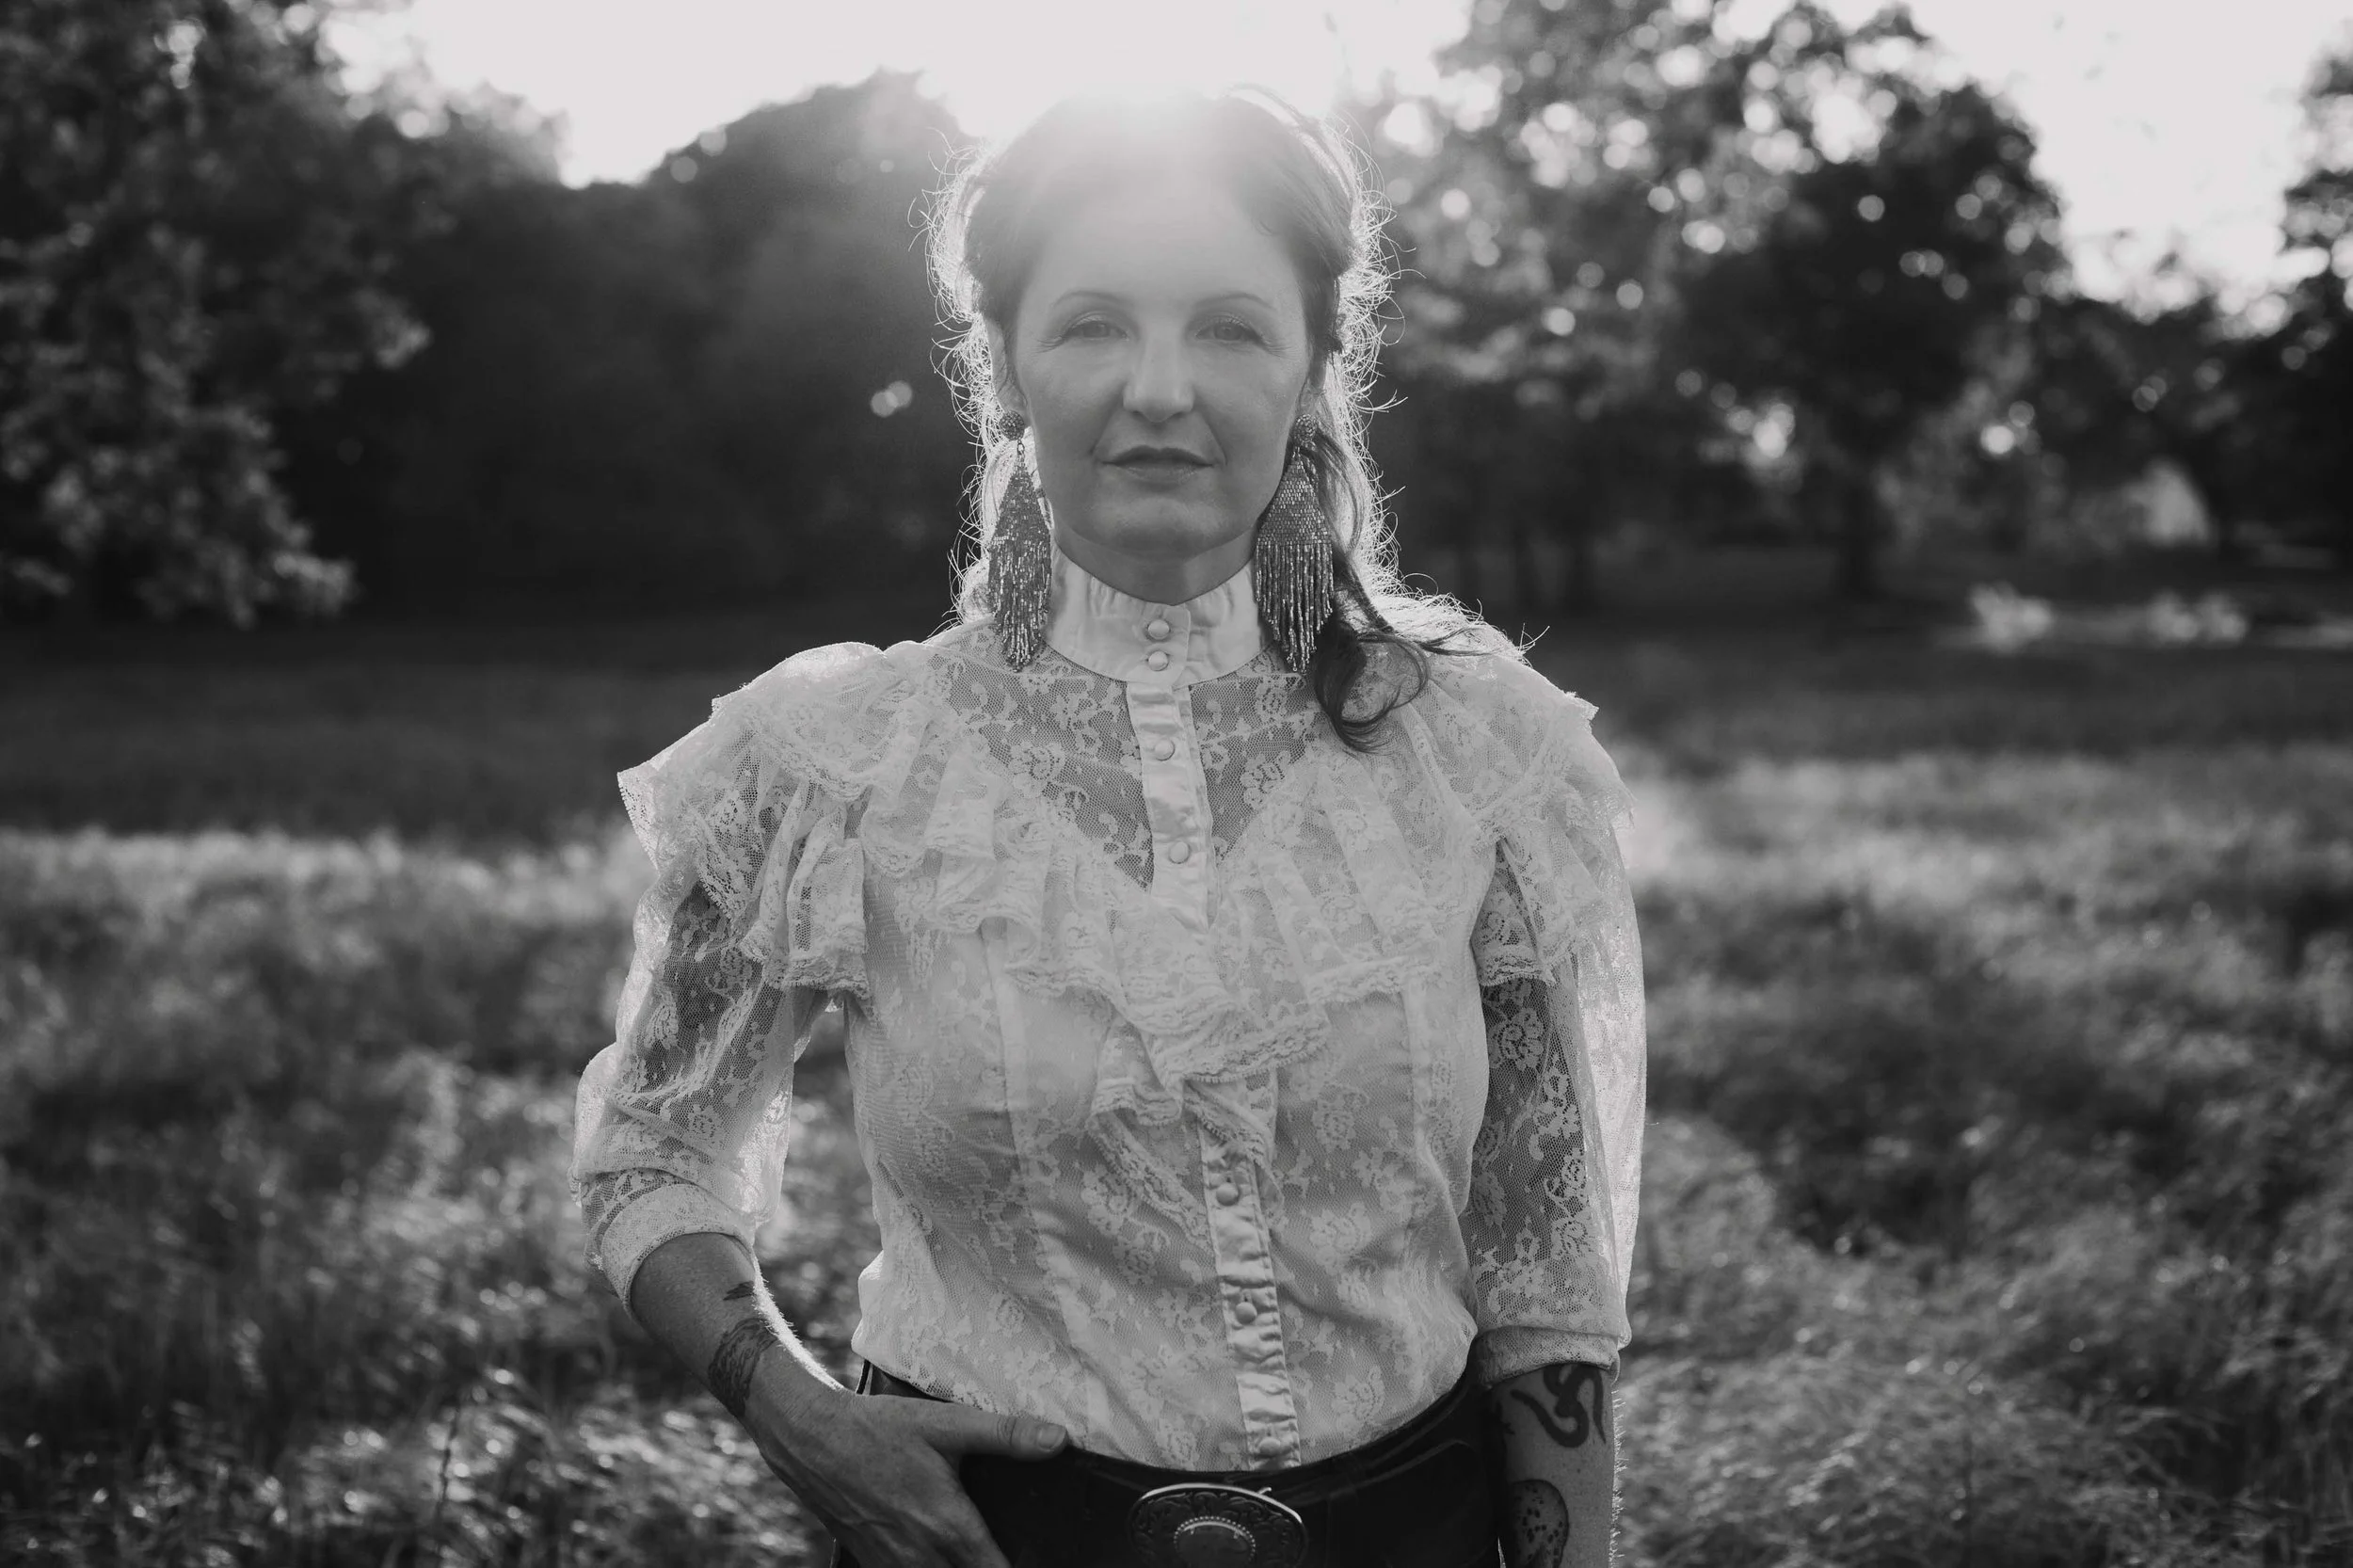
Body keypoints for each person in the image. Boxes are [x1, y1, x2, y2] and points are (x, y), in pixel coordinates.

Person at [568, 85, 1646, 1568]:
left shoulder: (1480, 755)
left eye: (1228, 326)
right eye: (1090, 325)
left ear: (1312, 370)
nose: (1158, 387)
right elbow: (651, 1149)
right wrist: (802, 1415)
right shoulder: (826, 761)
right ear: (1004, 369)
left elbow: (1547, 1261)